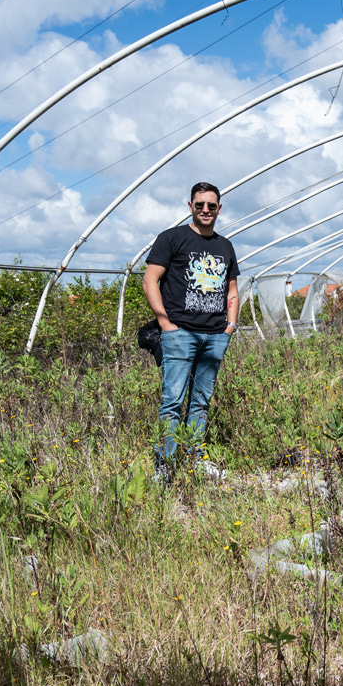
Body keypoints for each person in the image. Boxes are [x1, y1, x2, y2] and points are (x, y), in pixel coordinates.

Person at [142, 181, 239, 479]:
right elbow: (150, 280)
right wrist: (165, 324)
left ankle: (194, 457)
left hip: (215, 335)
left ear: (219, 209)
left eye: (211, 205)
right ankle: (166, 465)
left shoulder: (225, 245)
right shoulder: (173, 238)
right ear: (190, 207)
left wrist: (230, 325)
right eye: (200, 205)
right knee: (172, 401)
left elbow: (232, 287)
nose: (205, 210)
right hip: (180, 333)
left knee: (200, 401)